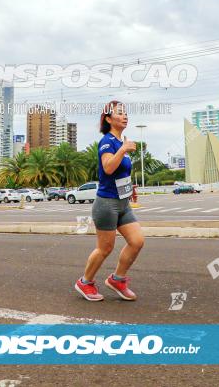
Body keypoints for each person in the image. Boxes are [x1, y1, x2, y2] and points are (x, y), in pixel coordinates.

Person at [75, 101, 144, 301]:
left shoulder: (122, 141)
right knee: (105, 248)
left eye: (126, 113)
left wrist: (128, 189)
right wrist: (123, 150)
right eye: (119, 113)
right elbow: (107, 168)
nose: (125, 116)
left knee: (137, 241)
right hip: (106, 204)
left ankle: (117, 279)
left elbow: (120, 173)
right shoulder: (107, 142)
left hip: (123, 204)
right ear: (108, 118)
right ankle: (85, 282)